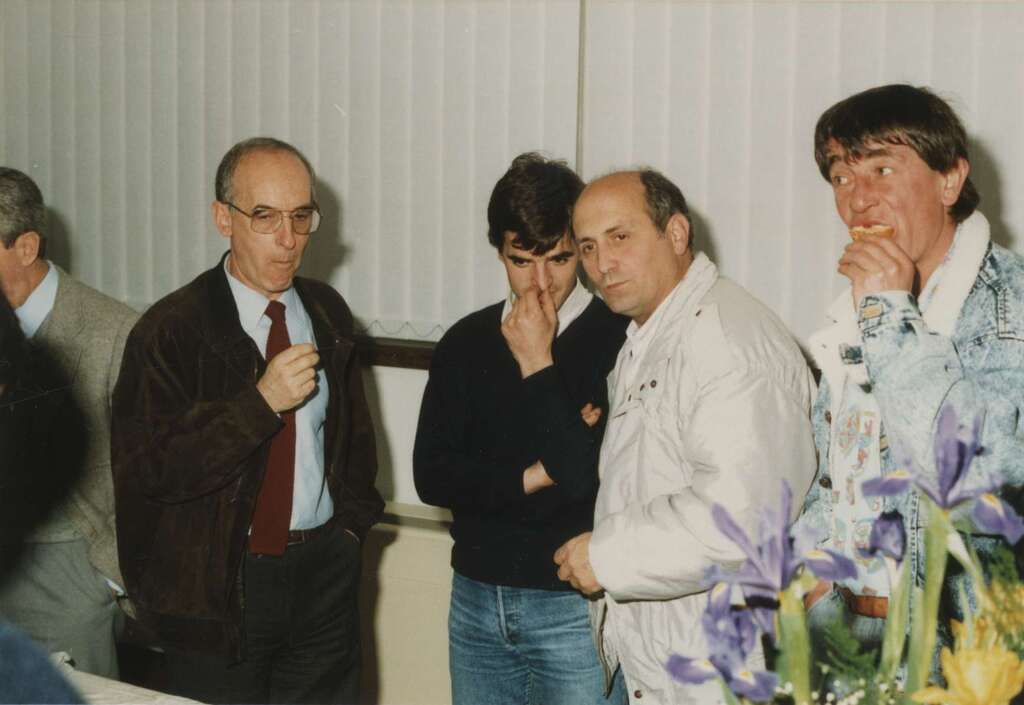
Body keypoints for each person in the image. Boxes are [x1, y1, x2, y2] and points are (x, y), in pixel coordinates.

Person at [111, 137, 383, 704]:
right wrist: (259, 405)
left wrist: (348, 536)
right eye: (265, 217)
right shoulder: (171, 330)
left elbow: (355, 447)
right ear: (223, 219)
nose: (288, 239)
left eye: (301, 216)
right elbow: (149, 470)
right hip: (220, 590)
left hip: (324, 576)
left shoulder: (327, 312)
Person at [555, 169, 817, 705]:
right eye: (588, 247)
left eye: (620, 237)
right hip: (675, 658)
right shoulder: (655, 333)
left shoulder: (726, 342)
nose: (602, 264)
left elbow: (740, 521)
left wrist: (607, 556)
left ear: (675, 234)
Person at [798, 84, 1024, 657]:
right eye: (841, 177)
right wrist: (811, 578)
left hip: (960, 650)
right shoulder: (863, 306)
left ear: (950, 180)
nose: (857, 200)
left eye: (881, 169)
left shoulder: (1008, 308)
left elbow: (973, 474)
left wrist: (890, 314)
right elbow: (842, 463)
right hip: (847, 631)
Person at [414, 153, 629, 705]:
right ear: (499, 251)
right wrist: (533, 473)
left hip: (572, 607)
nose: (541, 282)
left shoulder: (618, 336)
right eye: (521, 260)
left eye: (559, 259)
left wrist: (538, 362)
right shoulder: (465, 341)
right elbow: (432, 477)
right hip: (475, 596)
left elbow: (580, 478)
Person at [0, 167, 137, 678]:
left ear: (26, 247)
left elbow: (151, 475)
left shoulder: (117, 333)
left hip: (71, 578)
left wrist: (105, 579)